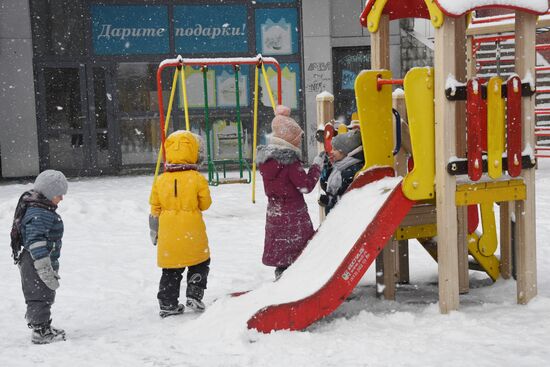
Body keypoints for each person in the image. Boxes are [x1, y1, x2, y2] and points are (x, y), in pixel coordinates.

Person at [256, 105, 325, 280]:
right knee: (297, 247)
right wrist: (317, 165)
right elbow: (306, 186)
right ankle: (296, 280)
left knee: (281, 246)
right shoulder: (290, 162)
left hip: (275, 211)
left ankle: (281, 274)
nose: (299, 142)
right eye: (297, 139)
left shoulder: (266, 161)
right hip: (293, 213)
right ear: (290, 140)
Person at [149, 130, 212, 318]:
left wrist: (154, 230)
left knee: (171, 269)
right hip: (192, 230)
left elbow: (155, 207)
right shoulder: (197, 179)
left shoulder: (160, 180)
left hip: (169, 233)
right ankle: (194, 292)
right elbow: (205, 204)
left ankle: (167, 302)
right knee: (200, 261)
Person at [13, 170, 68, 344]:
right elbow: (35, 240)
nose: (61, 198)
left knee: (43, 293)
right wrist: (43, 266)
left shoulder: (41, 208)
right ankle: (40, 332)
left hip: (37, 259)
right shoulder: (40, 213)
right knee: (39, 295)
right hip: (36, 261)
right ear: (50, 193)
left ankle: (42, 325)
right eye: (59, 194)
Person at [319, 129, 364, 214]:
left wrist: (329, 200)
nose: (331, 151)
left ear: (344, 151)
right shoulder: (340, 166)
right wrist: (326, 169)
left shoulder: (350, 171)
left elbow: (345, 200)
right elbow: (331, 188)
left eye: (334, 149)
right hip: (333, 216)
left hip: (340, 218)